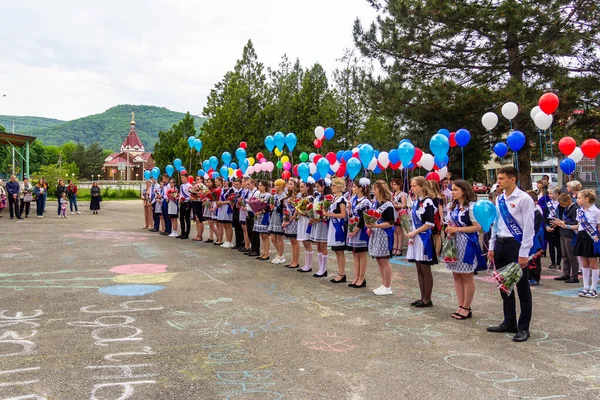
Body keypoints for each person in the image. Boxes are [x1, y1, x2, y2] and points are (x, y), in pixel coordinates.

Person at [487, 166, 535, 342]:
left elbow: (529, 228)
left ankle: (524, 327)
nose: (498, 181)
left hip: (516, 246)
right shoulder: (499, 199)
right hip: (500, 243)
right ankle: (509, 321)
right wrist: (492, 246)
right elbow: (495, 223)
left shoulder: (524, 199)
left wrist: (524, 253)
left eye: (501, 178)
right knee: (504, 286)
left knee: (522, 287)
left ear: (512, 179)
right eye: (498, 178)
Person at [444, 180, 485, 319]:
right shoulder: (452, 206)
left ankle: (466, 306)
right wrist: (449, 228)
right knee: (456, 274)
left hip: (467, 242)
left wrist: (458, 229)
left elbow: (477, 227)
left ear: (464, 190)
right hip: (454, 242)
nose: (452, 192)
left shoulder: (472, 207)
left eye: (455, 189)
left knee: (467, 276)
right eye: (452, 189)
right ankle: (460, 304)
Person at [407, 176, 437, 307]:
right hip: (415, 237)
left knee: (425, 268)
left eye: (414, 186)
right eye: (411, 186)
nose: (412, 189)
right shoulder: (416, 201)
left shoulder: (428, 202)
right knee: (418, 268)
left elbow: (429, 223)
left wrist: (415, 232)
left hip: (423, 238)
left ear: (422, 187)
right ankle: (422, 296)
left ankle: (427, 298)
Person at [366, 180, 396, 295]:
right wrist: (370, 227)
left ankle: (388, 286)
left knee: (384, 260)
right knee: (379, 260)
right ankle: (383, 283)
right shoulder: (375, 203)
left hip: (384, 234)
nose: (374, 191)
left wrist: (375, 225)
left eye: (376, 189)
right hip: (376, 233)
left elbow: (391, 222)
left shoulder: (388, 205)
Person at [573, 189, 600, 298]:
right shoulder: (579, 211)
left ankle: (593, 288)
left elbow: (599, 227)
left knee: (593, 264)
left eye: (579, 198)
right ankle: (585, 287)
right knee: (584, 264)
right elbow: (579, 225)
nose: (577, 200)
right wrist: (566, 226)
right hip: (581, 237)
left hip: (592, 239)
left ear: (587, 199)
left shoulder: (596, 211)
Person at [347, 178, 372, 288]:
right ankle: (356, 276)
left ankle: (362, 278)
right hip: (352, 227)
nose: (352, 189)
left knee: (361, 253)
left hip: (360, 229)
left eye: (355, 187)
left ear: (361, 188)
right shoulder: (353, 199)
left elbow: (364, 218)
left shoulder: (365, 201)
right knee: (355, 253)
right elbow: (351, 215)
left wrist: (355, 230)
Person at [323, 178, 348, 283]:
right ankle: (340, 272)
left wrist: (329, 214)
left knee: (340, 251)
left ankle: (342, 273)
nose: (331, 187)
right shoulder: (334, 198)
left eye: (333, 185)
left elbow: (343, 215)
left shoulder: (342, 199)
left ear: (338, 186)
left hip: (339, 227)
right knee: (337, 251)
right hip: (333, 226)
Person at [553, 193, 579, 283]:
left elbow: (576, 222)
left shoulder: (574, 209)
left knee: (571, 256)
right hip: (563, 233)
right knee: (565, 255)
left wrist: (563, 222)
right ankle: (566, 273)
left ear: (568, 201)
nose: (561, 206)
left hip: (570, 234)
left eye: (562, 204)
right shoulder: (566, 208)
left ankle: (574, 275)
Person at [310, 179, 332, 278]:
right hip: (316, 222)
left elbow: (326, 212)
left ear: (324, 187)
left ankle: (324, 269)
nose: (316, 188)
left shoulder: (327, 198)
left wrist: (319, 218)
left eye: (318, 186)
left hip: (323, 223)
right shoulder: (317, 197)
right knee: (318, 245)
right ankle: (320, 268)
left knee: (323, 245)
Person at [296, 179, 315, 273]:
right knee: (304, 242)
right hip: (301, 220)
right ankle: (306, 264)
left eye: (303, 187)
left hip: (306, 221)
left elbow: (310, 212)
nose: (301, 189)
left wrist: (301, 212)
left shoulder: (310, 198)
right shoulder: (301, 198)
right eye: (300, 187)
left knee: (307, 242)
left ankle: (309, 265)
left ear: (308, 187)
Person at [282, 178, 300, 268]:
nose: (289, 185)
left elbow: (297, 210)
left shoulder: (298, 196)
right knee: (292, 241)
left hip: (294, 220)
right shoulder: (288, 195)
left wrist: (289, 220)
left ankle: (296, 261)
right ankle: (293, 260)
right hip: (289, 219)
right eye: (288, 184)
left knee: (295, 241)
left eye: (291, 184)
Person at [268, 179, 287, 264]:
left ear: (281, 186)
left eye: (277, 185)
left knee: (279, 237)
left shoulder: (284, 196)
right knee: (272, 238)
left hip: (280, 217)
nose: (275, 187)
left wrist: (274, 208)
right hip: (274, 216)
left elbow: (283, 208)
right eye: (275, 185)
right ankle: (280, 254)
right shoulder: (275, 195)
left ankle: (280, 255)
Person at [253, 180, 272, 261]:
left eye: (261, 185)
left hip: (264, 216)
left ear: (264, 186)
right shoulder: (258, 195)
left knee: (265, 235)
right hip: (258, 216)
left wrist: (261, 211)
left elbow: (268, 207)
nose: (259, 187)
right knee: (261, 235)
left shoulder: (268, 195)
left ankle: (267, 253)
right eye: (259, 185)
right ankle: (263, 252)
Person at [544, 188, 562, 270]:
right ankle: (552, 262)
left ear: (557, 194)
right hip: (549, 222)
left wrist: (557, 224)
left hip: (558, 224)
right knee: (550, 245)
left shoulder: (561, 204)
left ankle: (558, 263)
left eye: (551, 193)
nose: (549, 195)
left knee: (558, 245)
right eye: (549, 193)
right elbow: (545, 216)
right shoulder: (548, 204)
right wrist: (546, 226)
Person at [428, 179, 445, 258]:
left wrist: (441, 219)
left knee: (437, 235)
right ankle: (433, 250)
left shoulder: (438, 197)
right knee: (432, 235)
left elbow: (440, 208)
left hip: (436, 218)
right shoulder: (429, 196)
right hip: (430, 216)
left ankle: (437, 252)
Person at [391, 178, 408, 256]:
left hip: (399, 214)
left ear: (399, 185)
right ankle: (395, 246)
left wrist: (395, 205)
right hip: (394, 213)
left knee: (399, 231)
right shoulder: (393, 194)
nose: (393, 186)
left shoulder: (402, 194)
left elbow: (404, 205)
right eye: (393, 184)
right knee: (395, 231)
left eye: (395, 184)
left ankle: (399, 247)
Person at [244, 178, 261, 256]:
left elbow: (256, 204)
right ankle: (252, 247)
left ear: (253, 184)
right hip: (248, 212)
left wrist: (248, 207)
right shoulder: (249, 192)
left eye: (248, 184)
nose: (247, 186)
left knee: (254, 232)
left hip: (253, 213)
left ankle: (256, 249)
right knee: (249, 231)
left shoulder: (257, 192)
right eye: (246, 184)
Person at [216, 178, 234, 247]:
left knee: (228, 225)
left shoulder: (231, 190)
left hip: (227, 208)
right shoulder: (222, 189)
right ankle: (227, 240)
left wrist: (222, 202)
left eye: (225, 181)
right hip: (222, 208)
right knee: (225, 225)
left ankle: (230, 241)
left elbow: (231, 200)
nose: (224, 182)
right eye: (223, 181)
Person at [190, 175, 207, 242]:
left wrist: (196, 195)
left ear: (202, 180)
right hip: (194, 203)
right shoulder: (195, 186)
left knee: (199, 219)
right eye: (196, 179)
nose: (197, 180)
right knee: (196, 220)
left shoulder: (203, 187)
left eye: (198, 179)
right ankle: (198, 234)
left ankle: (200, 235)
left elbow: (203, 196)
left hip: (199, 204)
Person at [231, 178, 245, 249]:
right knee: (236, 226)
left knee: (240, 227)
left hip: (240, 210)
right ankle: (237, 242)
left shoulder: (242, 191)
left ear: (241, 184)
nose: (236, 186)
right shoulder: (235, 191)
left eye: (237, 184)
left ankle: (242, 243)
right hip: (235, 209)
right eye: (235, 184)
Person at [178, 172, 192, 240]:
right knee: (181, 218)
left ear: (186, 178)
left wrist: (185, 199)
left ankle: (187, 233)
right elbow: (180, 194)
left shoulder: (190, 186)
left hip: (187, 203)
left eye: (183, 178)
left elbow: (191, 196)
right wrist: (180, 198)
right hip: (182, 203)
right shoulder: (181, 186)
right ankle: (182, 232)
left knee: (187, 219)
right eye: (181, 178)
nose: (182, 179)